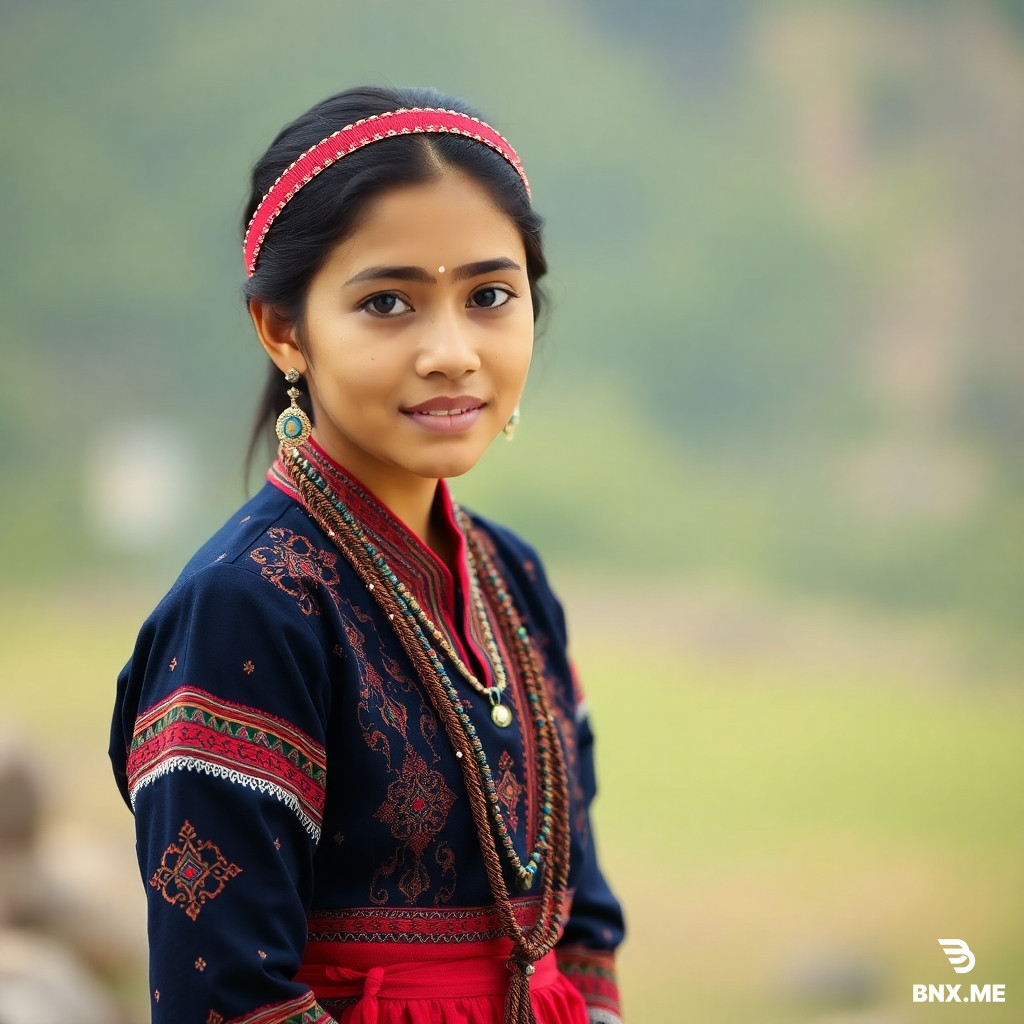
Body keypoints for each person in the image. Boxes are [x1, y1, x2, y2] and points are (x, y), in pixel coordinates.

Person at [109, 85, 625, 1024]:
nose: (452, 352)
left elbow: (579, 921)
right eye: (388, 302)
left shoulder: (516, 582)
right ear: (282, 328)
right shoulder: (250, 607)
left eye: (490, 297)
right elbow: (226, 997)